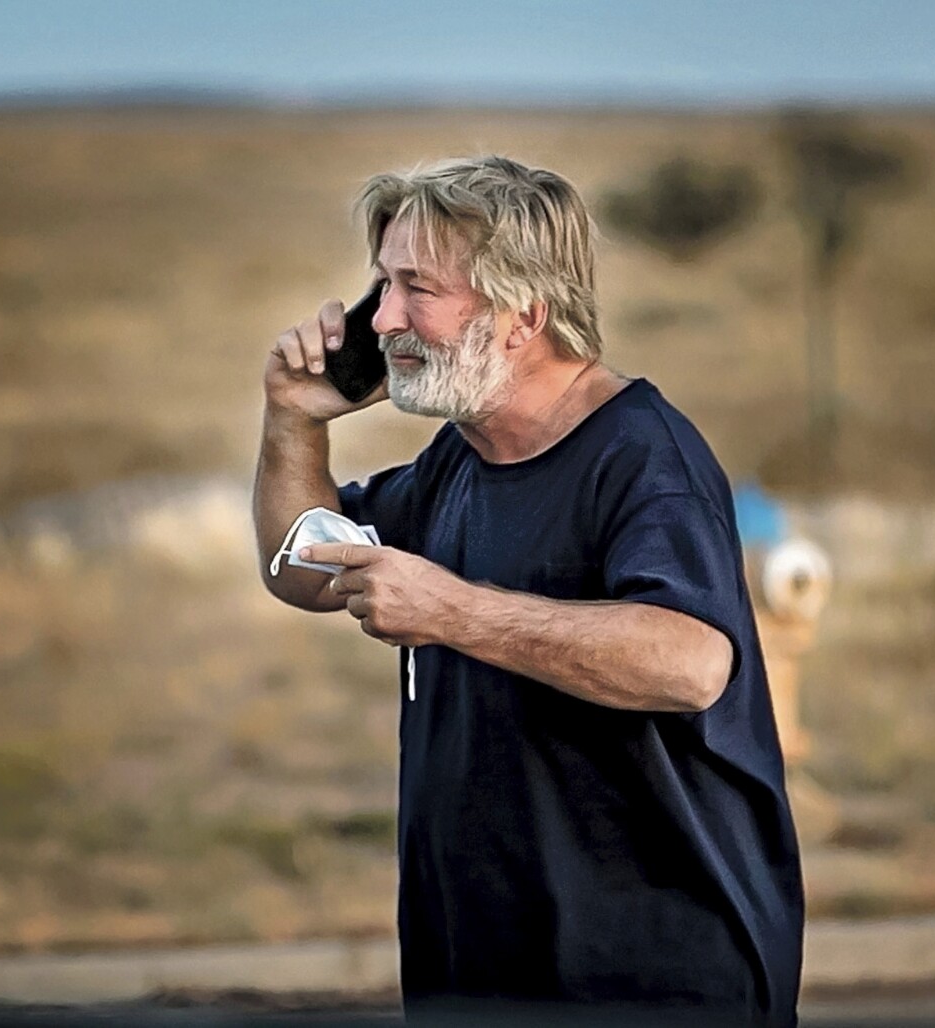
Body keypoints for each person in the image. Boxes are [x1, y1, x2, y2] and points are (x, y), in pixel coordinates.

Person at [252, 156, 804, 1025]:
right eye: (381, 286)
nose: (384, 318)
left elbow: (691, 663)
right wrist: (292, 419)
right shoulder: (460, 459)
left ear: (524, 315)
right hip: (477, 968)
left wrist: (453, 611)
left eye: (416, 289)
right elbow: (303, 566)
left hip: (647, 983)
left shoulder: (642, 458)